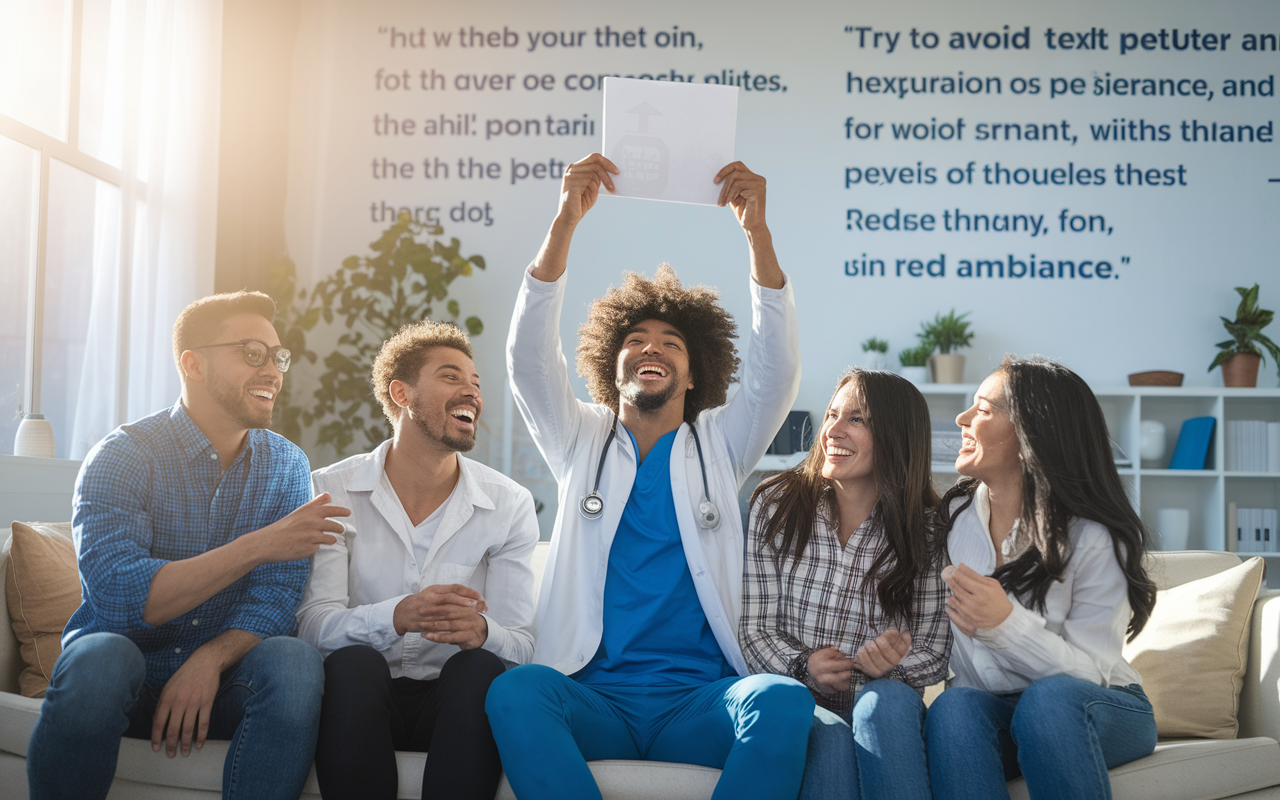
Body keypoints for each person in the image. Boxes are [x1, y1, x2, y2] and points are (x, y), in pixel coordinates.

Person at [485, 153, 814, 800]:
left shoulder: (720, 442)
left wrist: (757, 234)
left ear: (695, 374)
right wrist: (564, 223)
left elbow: (777, 371)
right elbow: (526, 358)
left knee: (781, 701)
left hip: (698, 703)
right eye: (634, 340)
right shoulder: (579, 437)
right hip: (592, 698)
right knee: (516, 690)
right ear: (612, 368)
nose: (651, 347)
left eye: (670, 342)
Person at [28, 291, 347, 800]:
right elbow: (121, 597)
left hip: (221, 686)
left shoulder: (287, 466)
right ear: (193, 364)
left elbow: (276, 602)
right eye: (251, 353)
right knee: (101, 658)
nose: (272, 371)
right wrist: (257, 545)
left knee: (293, 661)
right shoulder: (122, 456)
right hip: (122, 680)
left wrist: (209, 660)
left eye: (277, 356)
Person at [298, 320, 538, 800]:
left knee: (480, 668)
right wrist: (398, 615)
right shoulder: (331, 490)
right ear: (401, 394)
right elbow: (311, 627)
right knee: (353, 666)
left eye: (475, 382)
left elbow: (523, 645)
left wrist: (484, 633)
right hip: (360, 700)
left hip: (454, 707)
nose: (471, 391)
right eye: (451, 377)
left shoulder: (508, 504)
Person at [925, 355, 1159, 799]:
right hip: (999, 711)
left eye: (984, 409)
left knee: (1046, 703)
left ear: (1032, 434)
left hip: (1101, 706)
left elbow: (1089, 677)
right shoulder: (951, 522)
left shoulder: (1093, 537)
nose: (962, 419)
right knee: (953, 707)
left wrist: (1003, 625)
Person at [741, 369, 951, 800]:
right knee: (828, 733)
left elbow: (934, 649)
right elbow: (753, 627)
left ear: (897, 436)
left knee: (885, 704)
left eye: (857, 419)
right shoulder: (775, 503)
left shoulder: (931, 529)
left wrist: (890, 665)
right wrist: (804, 665)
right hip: (798, 702)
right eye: (833, 415)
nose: (833, 430)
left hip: (884, 712)